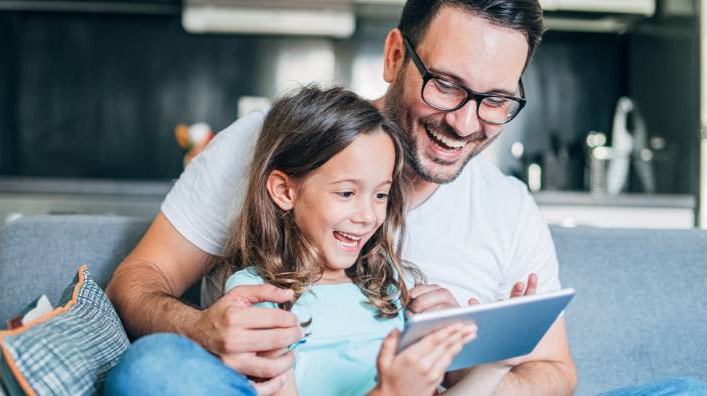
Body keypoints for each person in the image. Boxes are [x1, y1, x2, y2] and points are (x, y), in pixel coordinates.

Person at [104, 1, 706, 395]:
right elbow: (138, 279)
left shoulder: (506, 206)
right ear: (396, 57)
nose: (467, 123)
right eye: (447, 85)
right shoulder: (271, 144)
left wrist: (462, 353)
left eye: (496, 100)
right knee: (155, 370)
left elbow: (553, 372)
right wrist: (203, 329)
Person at [221, 85, 485, 395]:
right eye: (346, 193)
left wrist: (498, 364)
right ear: (285, 191)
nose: (367, 216)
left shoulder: (384, 289)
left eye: (380, 195)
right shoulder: (256, 298)